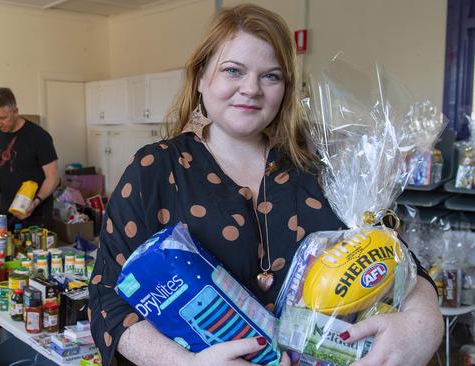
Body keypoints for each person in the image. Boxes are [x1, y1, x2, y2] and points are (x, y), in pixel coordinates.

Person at [88, 4, 443, 366]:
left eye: (270, 76)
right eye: (233, 71)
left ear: (286, 87)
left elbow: (398, 261)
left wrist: (423, 322)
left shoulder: (326, 167)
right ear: (200, 76)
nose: (251, 89)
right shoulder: (155, 169)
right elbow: (106, 298)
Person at [0, 87, 59, 230]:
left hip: (35, 213)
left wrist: (35, 202)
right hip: (6, 209)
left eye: (2, 118)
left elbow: (53, 178)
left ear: (15, 111)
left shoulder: (38, 136)